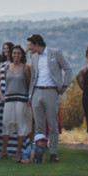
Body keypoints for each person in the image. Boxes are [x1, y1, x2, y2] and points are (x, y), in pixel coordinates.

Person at [26, 34, 69, 162]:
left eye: (30, 45)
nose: (29, 48)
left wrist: (64, 85)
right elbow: (33, 77)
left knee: (52, 124)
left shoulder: (55, 53)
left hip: (51, 91)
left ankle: (54, 153)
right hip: (37, 91)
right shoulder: (34, 58)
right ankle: (39, 154)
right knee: (39, 126)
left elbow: (68, 68)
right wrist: (30, 95)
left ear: (36, 44)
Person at [0, 44, 31, 163]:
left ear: (22, 55)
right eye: (14, 53)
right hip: (9, 98)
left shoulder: (26, 68)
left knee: (21, 125)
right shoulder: (7, 67)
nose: (16, 55)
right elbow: (7, 82)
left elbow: (28, 83)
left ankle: (19, 152)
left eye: (18, 53)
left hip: (21, 99)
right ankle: (4, 150)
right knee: (6, 123)